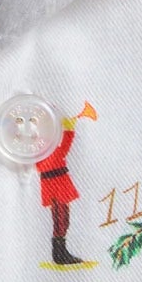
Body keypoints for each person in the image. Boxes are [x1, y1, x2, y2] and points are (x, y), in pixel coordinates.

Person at [36, 104, 98, 268]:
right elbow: (62, 150)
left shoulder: (43, 147)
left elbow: (61, 151)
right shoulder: (41, 148)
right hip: (55, 184)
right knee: (60, 219)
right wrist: (69, 130)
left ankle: (61, 253)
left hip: (57, 182)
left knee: (63, 219)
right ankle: (59, 255)